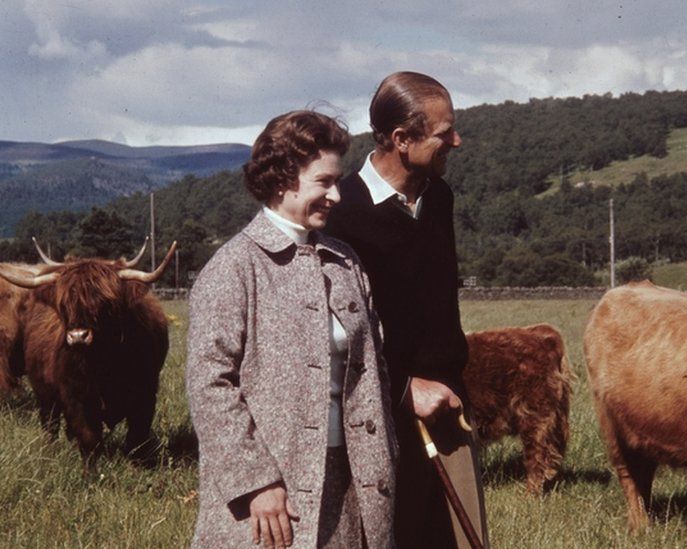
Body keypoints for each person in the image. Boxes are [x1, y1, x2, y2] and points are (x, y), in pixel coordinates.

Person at [185, 110, 397, 549]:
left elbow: (375, 370)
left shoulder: (346, 263)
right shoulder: (233, 269)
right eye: (324, 182)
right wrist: (256, 482)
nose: (336, 195)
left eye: (336, 181)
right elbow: (209, 386)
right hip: (269, 499)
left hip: (353, 486)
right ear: (283, 177)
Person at [326, 72, 489, 548]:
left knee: (458, 539)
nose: (456, 141)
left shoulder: (439, 197)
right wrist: (402, 388)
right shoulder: (341, 214)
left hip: (448, 407)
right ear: (401, 139)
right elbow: (335, 333)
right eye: (444, 133)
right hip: (378, 414)